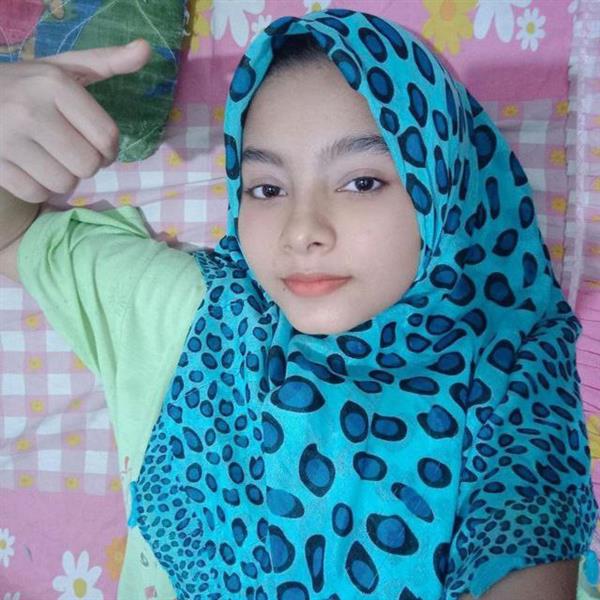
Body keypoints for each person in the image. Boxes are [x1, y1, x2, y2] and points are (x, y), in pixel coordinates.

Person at [0, 8, 597, 600]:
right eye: (267, 188)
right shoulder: (183, 311)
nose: (302, 230)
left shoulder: (512, 371)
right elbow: (12, 235)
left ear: (444, 188)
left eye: (361, 182)